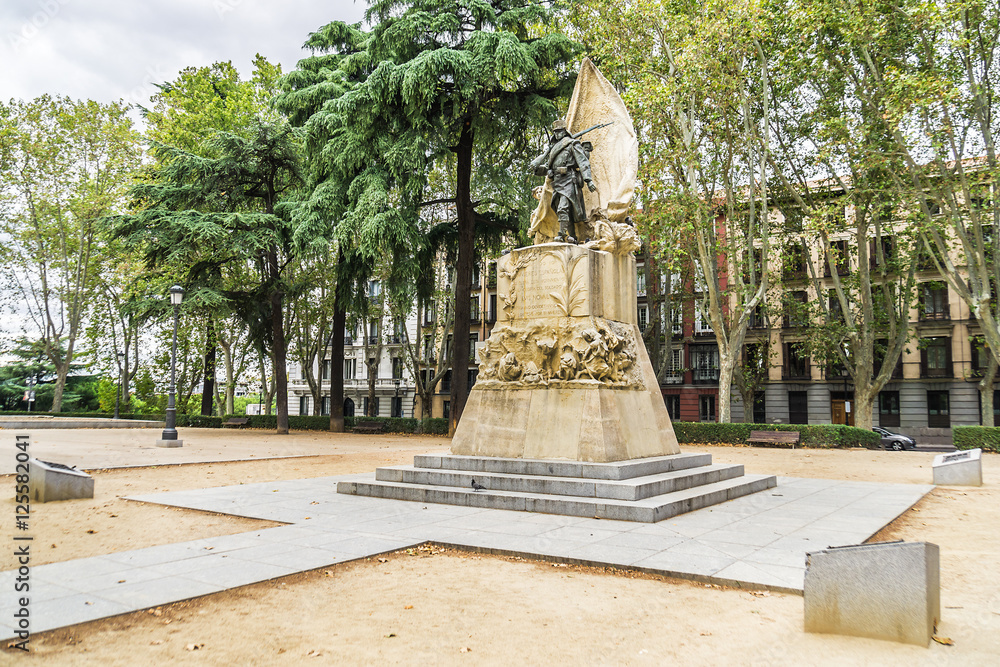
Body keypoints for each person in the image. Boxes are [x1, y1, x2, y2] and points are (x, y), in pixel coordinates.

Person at [529, 120, 597, 243]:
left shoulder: (572, 144)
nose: (557, 134)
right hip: (557, 182)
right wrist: (537, 169)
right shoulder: (552, 149)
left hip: (569, 180)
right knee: (565, 212)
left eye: (560, 131)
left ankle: (561, 235)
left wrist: (589, 180)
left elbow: (583, 162)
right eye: (555, 132)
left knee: (563, 208)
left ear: (564, 132)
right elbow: (548, 168)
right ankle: (573, 237)